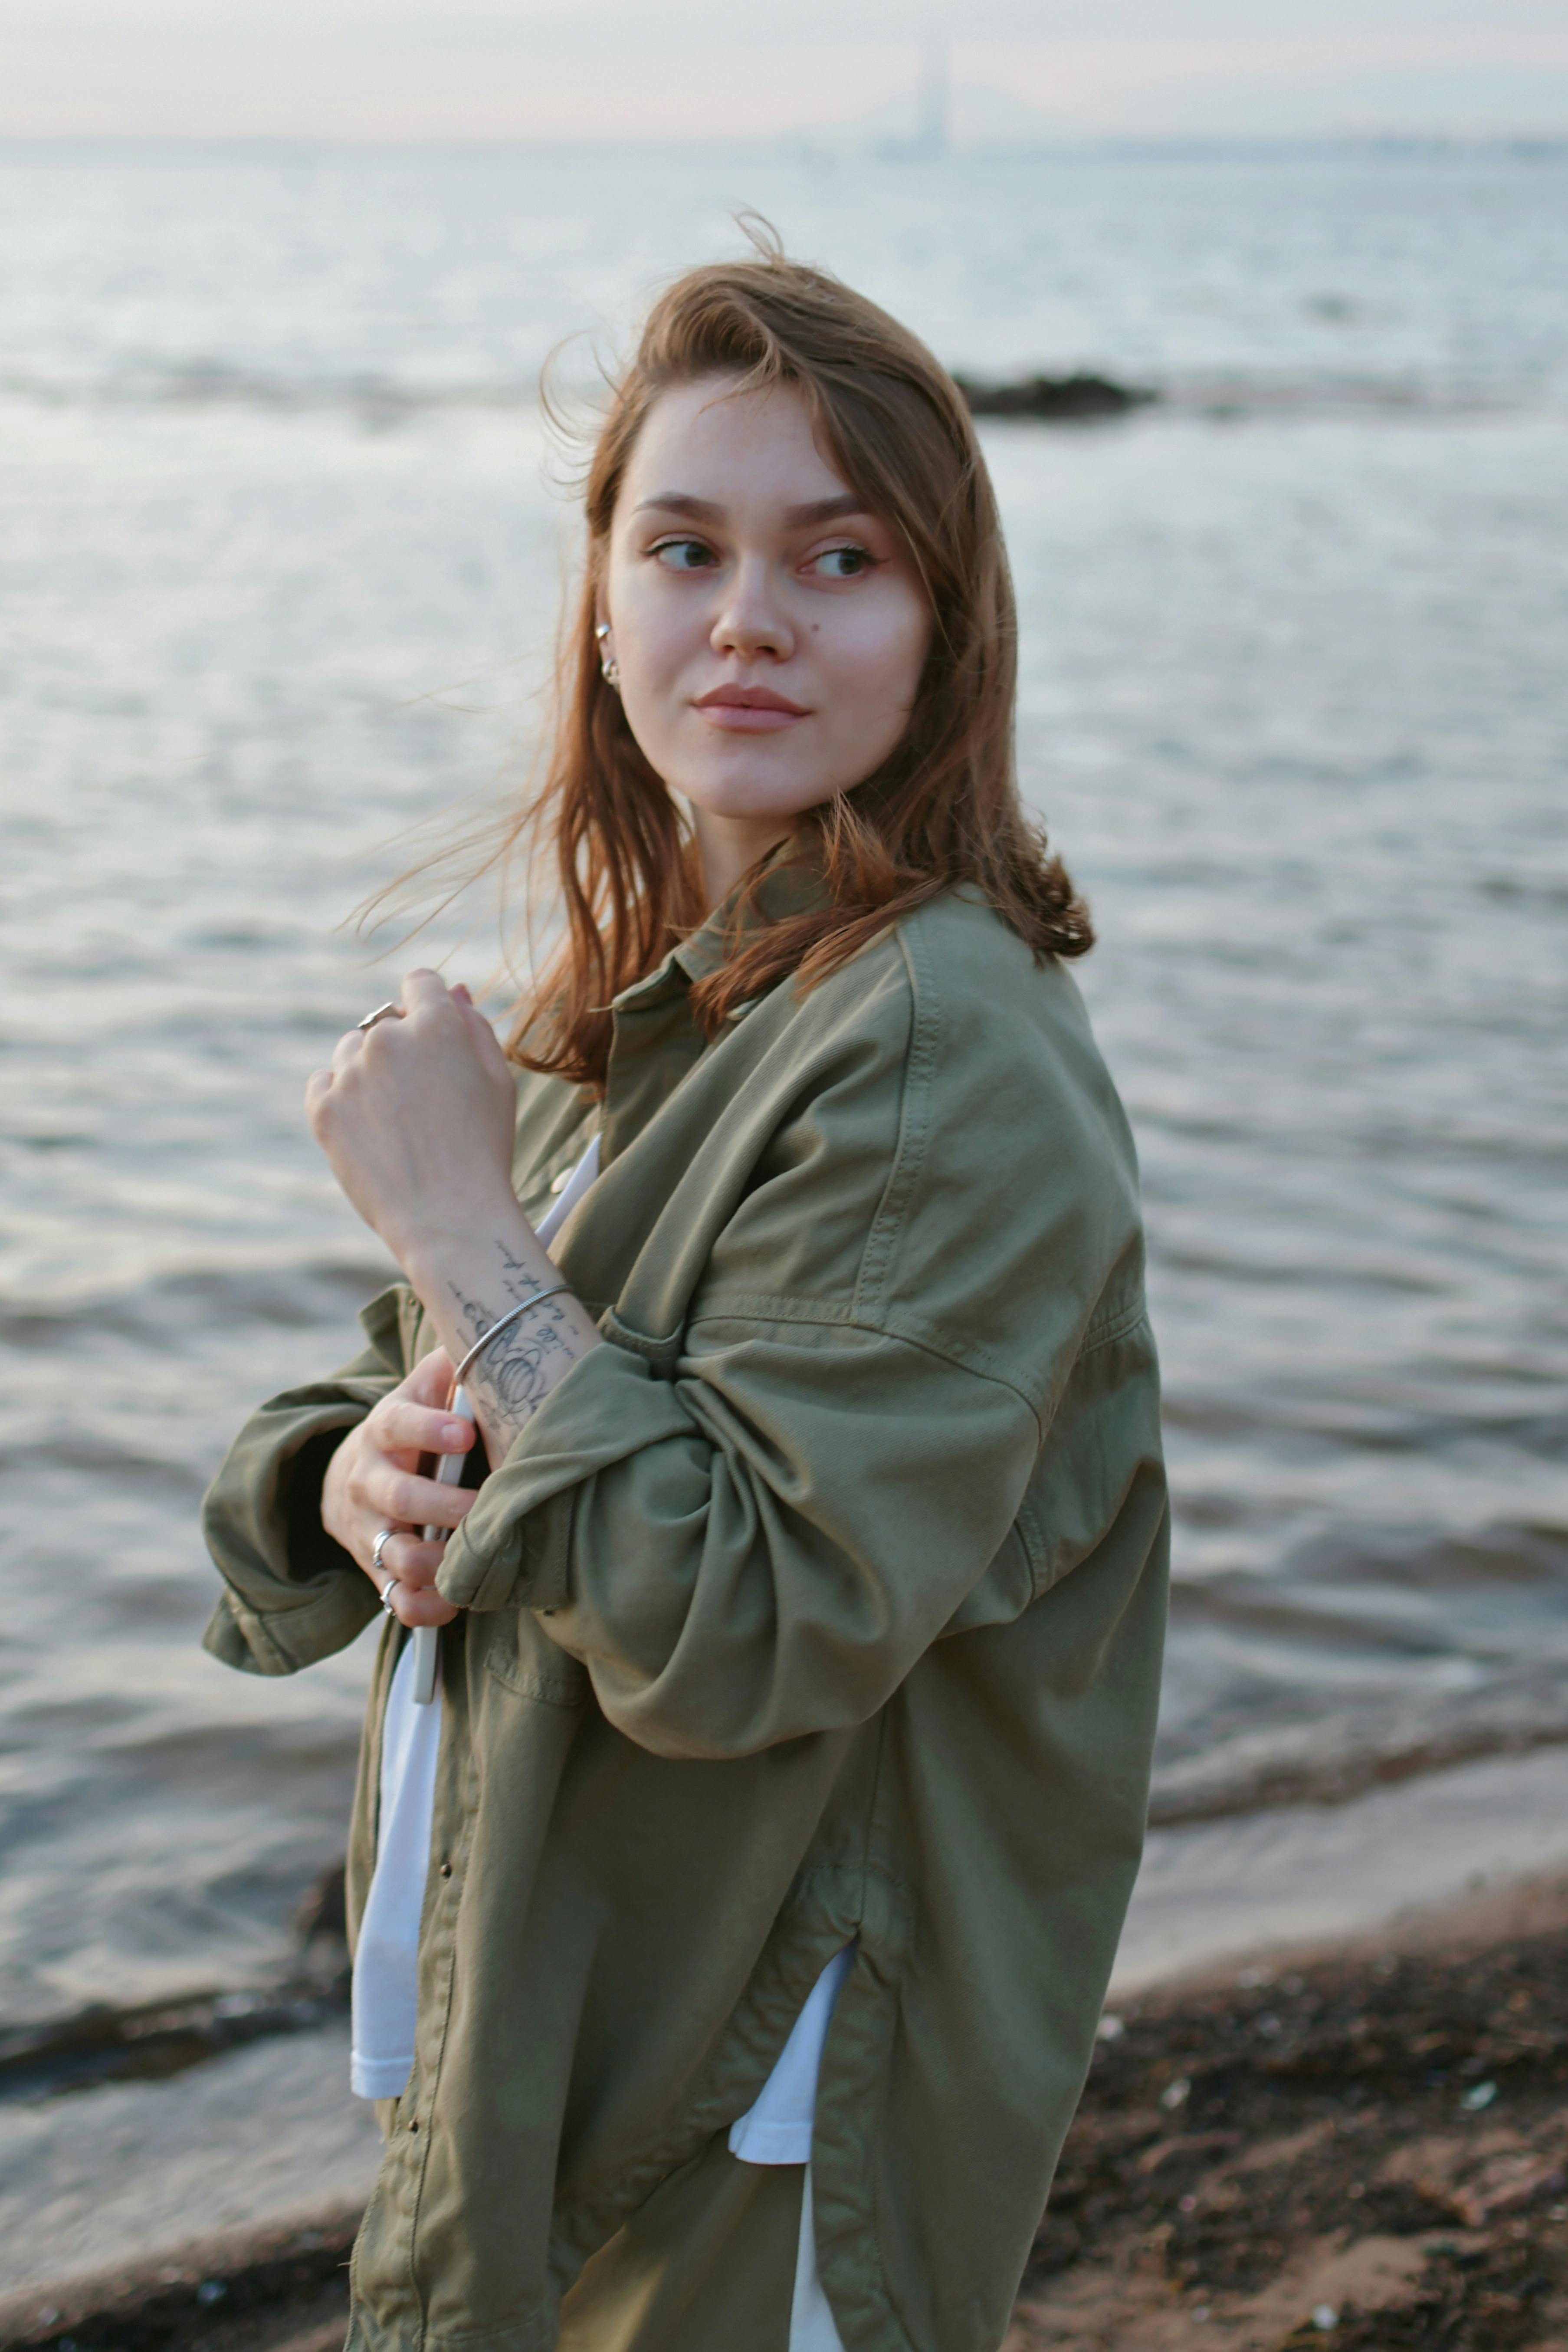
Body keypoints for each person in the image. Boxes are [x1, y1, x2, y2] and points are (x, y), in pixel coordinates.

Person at [201, 231, 1168, 2352]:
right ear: (604, 600)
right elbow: (449, 1420)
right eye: (683, 547)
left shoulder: (940, 1044)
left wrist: (458, 1225)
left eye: (839, 558)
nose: (746, 618)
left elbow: (748, 1621)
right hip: (581, 2019)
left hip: (771, 2084)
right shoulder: (652, 1010)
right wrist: (358, 1478)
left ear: (944, 628)